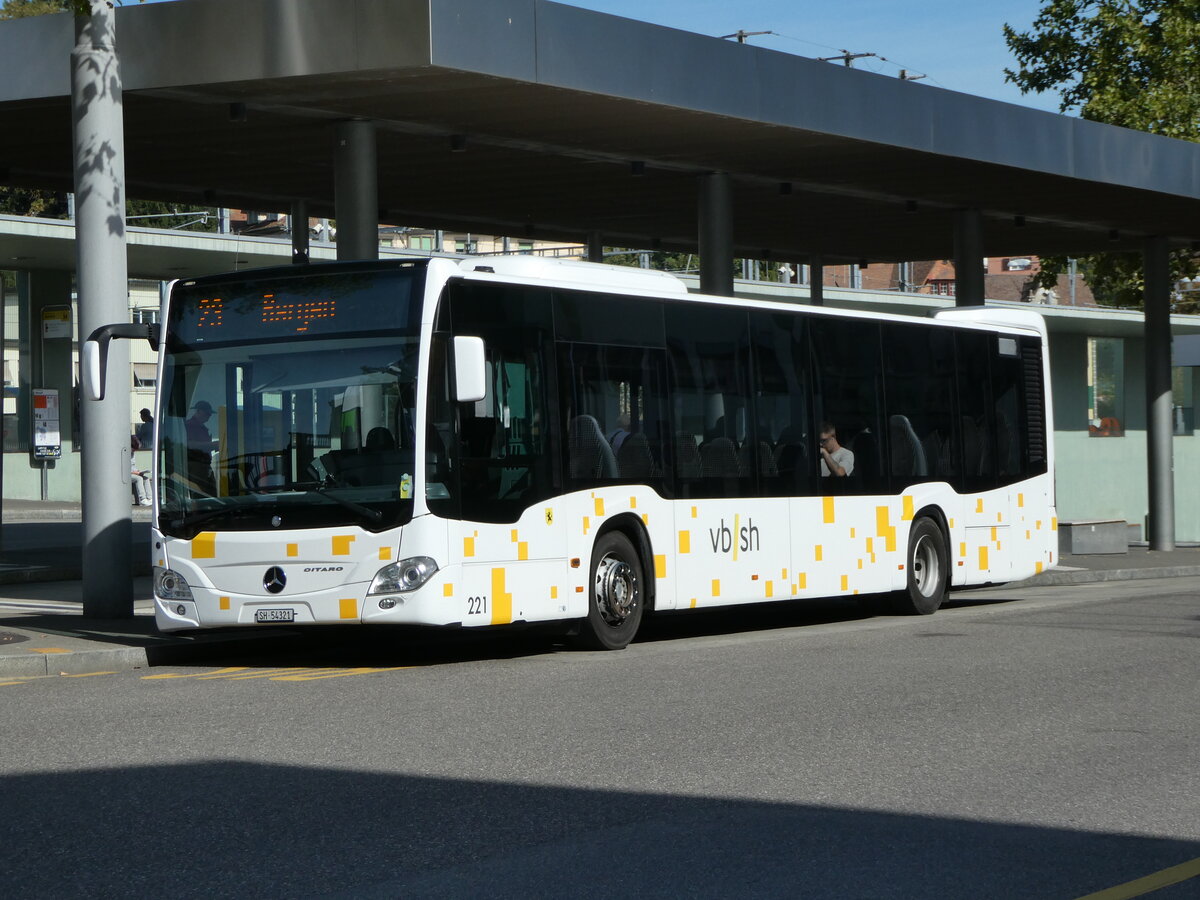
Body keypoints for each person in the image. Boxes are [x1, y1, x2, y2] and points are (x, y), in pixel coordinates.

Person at [185, 399, 220, 494]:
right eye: (207, 413)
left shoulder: (202, 428)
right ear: (198, 411)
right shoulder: (190, 425)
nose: (209, 416)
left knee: (211, 493)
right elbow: (190, 445)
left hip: (204, 465)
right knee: (201, 494)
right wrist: (212, 445)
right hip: (196, 465)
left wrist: (214, 446)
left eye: (210, 414)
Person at [130, 436, 151, 506]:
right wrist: (135, 473)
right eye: (134, 449)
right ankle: (143, 499)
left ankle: (150, 498)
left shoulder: (132, 453)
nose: (134, 451)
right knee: (138, 478)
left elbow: (133, 465)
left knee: (146, 478)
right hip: (125, 474)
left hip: (132, 472)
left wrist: (139, 471)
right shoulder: (124, 453)